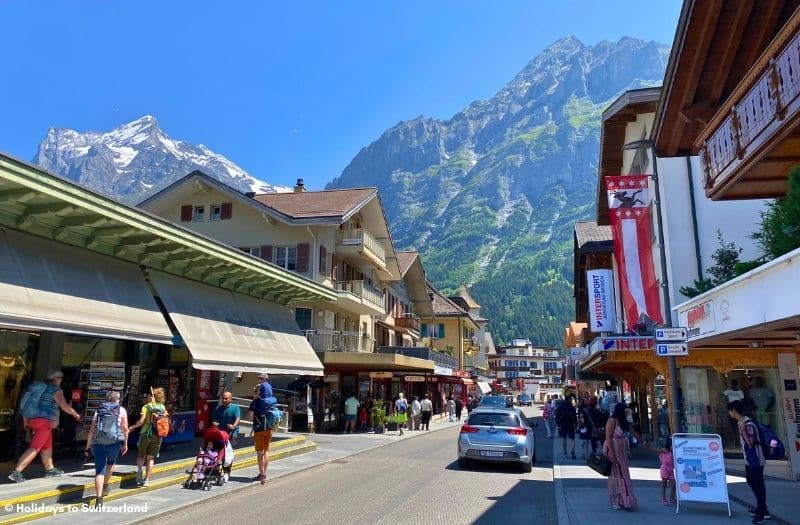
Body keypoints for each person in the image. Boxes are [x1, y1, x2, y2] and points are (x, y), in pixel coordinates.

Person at [8, 370, 82, 482]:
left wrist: (25, 420)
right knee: (35, 447)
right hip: (44, 422)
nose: (61, 380)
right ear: (56, 378)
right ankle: (17, 472)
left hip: (33, 419)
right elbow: (64, 405)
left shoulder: (40, 389)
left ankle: (50, 469)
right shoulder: (56, 390)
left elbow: (26, 404)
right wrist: (75, 414)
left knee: (47, 446)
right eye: (60, 378)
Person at [728, 400, 770, 524]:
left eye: (730, 411)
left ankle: (762, 512)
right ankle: (762, 508)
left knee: (758, 485)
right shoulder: (741, 422)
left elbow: (751, 443)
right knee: (752, 481)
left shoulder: (748, 424)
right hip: (749, 460)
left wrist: (742, 432)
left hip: (756, 459)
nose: (729, 414)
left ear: (734, 411)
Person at [84, 390, 128, 506]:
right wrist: (125, 444)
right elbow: (125, 429)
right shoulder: (121, 410)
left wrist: (88, 446)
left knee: (99, 470)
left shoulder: (99, 410)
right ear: (117, 399)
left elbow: (92, 429)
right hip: (114, 442)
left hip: (98, 442)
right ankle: (105, 485)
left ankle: (99, 499)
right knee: (111, 463)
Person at [128, 388, 168, 487]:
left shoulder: (146, 407)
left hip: (146, 434)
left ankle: (140, 470)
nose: (147, 397)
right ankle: (147, 480)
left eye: (149, 395)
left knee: (141, 455)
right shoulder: (162, 407)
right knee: (150, 458)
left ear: (152, 397)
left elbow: (141, 421)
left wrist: (132, 427)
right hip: (158, 435)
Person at [604, 402, 638, 511]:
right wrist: (611, 454)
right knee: (615, 477)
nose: (626, 413)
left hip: (622, 454)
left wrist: (643, 441)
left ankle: (625, 500)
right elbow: (608, 438)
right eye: (625, 411)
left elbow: (633, 432)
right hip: (613, 451)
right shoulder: (611, 421)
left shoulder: (624, 422)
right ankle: (617, 500)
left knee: (624, 476)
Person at [248, 382, 276, 485]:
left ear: (258, 392)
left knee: (260, 452)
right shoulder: (271, 401)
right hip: (269, 429)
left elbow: (250, 417)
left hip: (259, 429)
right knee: (266, 451)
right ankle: (265, 473)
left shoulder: (255, 402)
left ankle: (262, 475)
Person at [659, 437, 675, 506]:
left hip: (671, 469)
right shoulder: (665, 450)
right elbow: (657, 450)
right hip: (665, 468)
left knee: (674, 485)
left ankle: (671, 499)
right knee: (664, 484)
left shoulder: (674, 451)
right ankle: (664, 499)